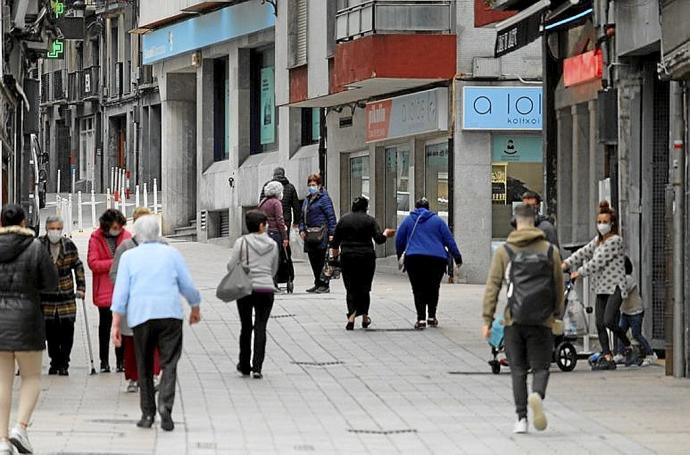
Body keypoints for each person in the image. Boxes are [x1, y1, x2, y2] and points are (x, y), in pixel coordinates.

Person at [111, 215, 201, 431]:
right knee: (169, 363)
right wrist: (195, 307)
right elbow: (186, 284)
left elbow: (121, 291)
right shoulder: (171, 254)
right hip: (170, 314)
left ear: (137, 234)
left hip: (141, 316)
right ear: (158, 233)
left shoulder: (129, 257)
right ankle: (165, 407)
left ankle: (147, 414)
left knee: (144, 364)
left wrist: (115, 323)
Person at [482, 204, 564, 434]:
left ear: (515, 222)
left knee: (517, 370)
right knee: (540, 368)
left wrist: (487, 319)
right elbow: (558, 286)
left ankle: (521, 419)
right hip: (542, 320)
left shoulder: (504, 251)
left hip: (513, 320)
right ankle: (536, 395)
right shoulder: (550, 251)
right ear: (535, 222)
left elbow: (493, 287)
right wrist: (555, 315)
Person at [0, 204, 58, 454]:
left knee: (2, 381)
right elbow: (51, 284)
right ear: (24, 222)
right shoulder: (35, 248)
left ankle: (2, 440)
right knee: (31, 377)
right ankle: (20, 428)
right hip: (27, 321)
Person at [562, 201, 630, 371]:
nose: (601, 225)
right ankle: (607, 356)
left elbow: (597, 262)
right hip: (600, 287)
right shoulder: (598, 241)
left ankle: (628, 345)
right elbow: (583, 252)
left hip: (615, 286)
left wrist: (579, 272)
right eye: (599, 222)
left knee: (609, 321)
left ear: (612, 223)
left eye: (605, 222)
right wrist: (566, 263)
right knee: (599, 323)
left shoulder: (615, 241)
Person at [109, 207, 161, 393]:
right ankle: (133, 376)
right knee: (131, 342)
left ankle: (153, 374)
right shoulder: (125, 247)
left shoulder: (162, 246)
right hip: (132, 303)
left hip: (155, 302)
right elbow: (114, 273)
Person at [395, 198, 462, 329]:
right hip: (437, 259)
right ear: (429, 208)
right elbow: (449, 240)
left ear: (415, 207)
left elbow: (399, 239)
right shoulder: (438, 221)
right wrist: (457, 257)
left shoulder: (408, 221)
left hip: (414, 258)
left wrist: (400, 255)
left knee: (418, 289)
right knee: (433, 288)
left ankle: (421, 319)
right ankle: (432, 316)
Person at [331, 197, 395, 330]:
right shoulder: (370, 220)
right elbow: (379, 239)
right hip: (366, 257)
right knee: (365, 287)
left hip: (348, 256)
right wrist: (386, 233)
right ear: (366, 207)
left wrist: (335, 259)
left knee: (351, 287)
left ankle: (351, 316)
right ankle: (365, 317)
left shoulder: (344, 220)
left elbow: (335, 242)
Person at [228, 210, 279, 379]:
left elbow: (231, 265)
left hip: (245, 288)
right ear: (261, 225)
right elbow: (273, 269)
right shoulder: (272, 244)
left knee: (246, 326)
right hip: (265, 288)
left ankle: (244, 364)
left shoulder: (241, 242)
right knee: (261, 326)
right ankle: (258, 367)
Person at [39, 215, 86, 376]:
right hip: (47, 297)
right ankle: (55, 361)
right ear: (46, 229)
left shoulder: (69, 245)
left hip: (66, 295)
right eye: (52, 228)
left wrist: (81, 287)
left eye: (58, 228)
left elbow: (78, 265)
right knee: (50, 332)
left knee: (67, 329)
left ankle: (64, 362)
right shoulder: (39, 245)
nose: (55, 231)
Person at [88, 209, 131, 373]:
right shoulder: (96, 238)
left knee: (122, 326)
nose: (117, 229)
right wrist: (115, 263)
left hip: (122, 289)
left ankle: (121, 360)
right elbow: (93, 263)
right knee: (105, 326)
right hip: (104, 290)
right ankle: (104, 361)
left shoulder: (127, 237)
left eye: (119, 226)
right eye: (114, 226)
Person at [260, 167, 301, 291]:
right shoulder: (290, 187)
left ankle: (272, 279)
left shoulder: (267, 188)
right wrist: (297, 222)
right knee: (284, 251)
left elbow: (260, 206)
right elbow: (296, 207)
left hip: (268, 228)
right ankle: (287, 276)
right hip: (284, 225)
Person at [299, 174, 337, 294]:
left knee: (322, 260)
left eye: (314, 185)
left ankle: (324, 284)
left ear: (319, 185)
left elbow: (331, 217)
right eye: (310, 185)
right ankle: (317, 282)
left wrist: (332, 233)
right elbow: (302, 217)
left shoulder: (324, 199)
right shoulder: (307, 199)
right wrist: (301, 229)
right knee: (313, 259)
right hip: (309, 234)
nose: (311, 187)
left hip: (321, 233)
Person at [620, 257, 657, 367]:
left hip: (635, 311)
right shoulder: (620, 279)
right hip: (626, 312)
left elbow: (622, 292)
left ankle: (650, 354)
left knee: (636, 334)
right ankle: (621, 353)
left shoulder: (628, 279)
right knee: (621, 332)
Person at [259, 181, 289, 288]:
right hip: (275, 233)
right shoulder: (276, 203)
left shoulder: (263, 202)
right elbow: (280, 220)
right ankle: (273, 284)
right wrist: (285, 237)